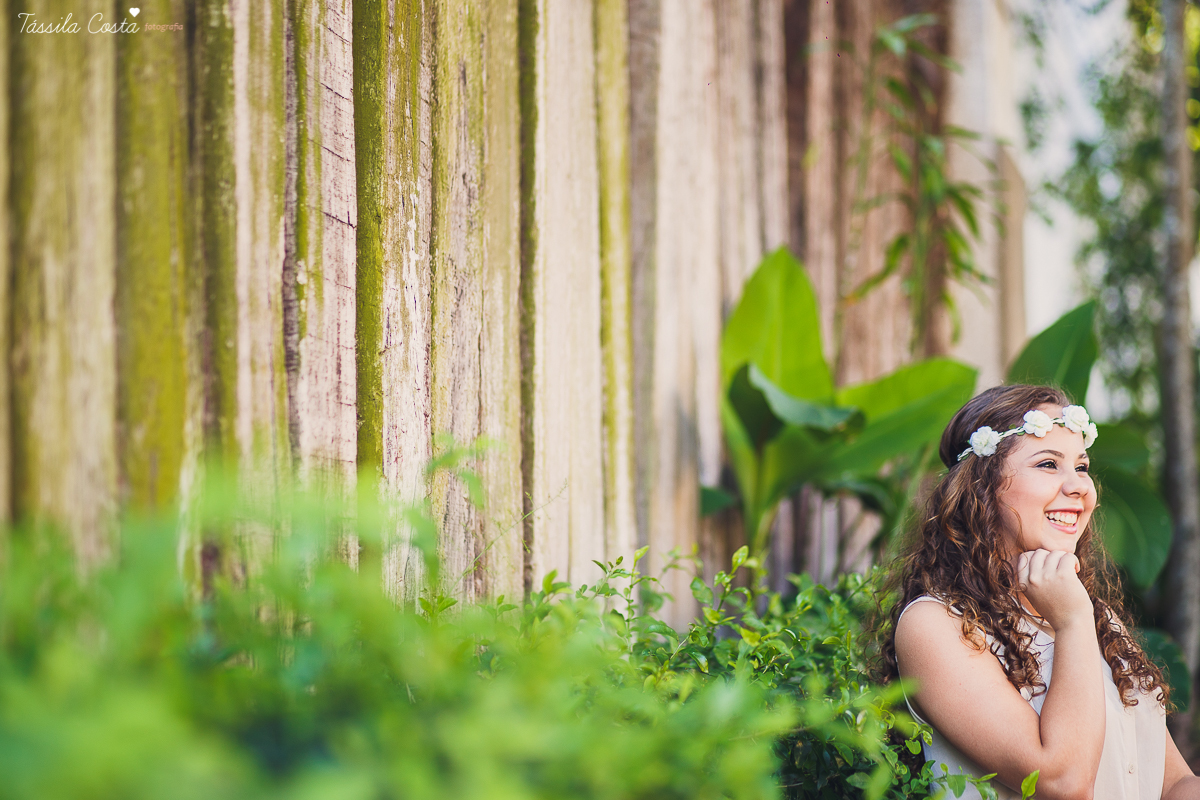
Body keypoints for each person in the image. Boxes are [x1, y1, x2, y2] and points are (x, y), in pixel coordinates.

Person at [881, 384, 1200, 800]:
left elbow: (1172, 782)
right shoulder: (936, 624)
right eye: (1049, 464)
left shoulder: (1094, 615)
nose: (1080, 487)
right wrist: (1070, 622)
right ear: (981, 488)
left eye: (1082, 467)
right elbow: (1061, 783)